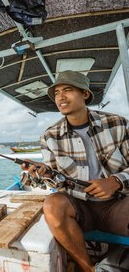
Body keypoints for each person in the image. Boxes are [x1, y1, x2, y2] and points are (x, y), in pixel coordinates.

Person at [22, 70, 129, 272]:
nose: (60, 97)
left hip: (118, 203)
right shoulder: (49, 137)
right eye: (56, 93)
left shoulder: (118, 124)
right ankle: (87, 267)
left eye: (67, 90)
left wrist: (115, 181)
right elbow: (55, 181)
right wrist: (42, 174)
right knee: (53, 204)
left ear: (85, 94)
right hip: (80, 207)